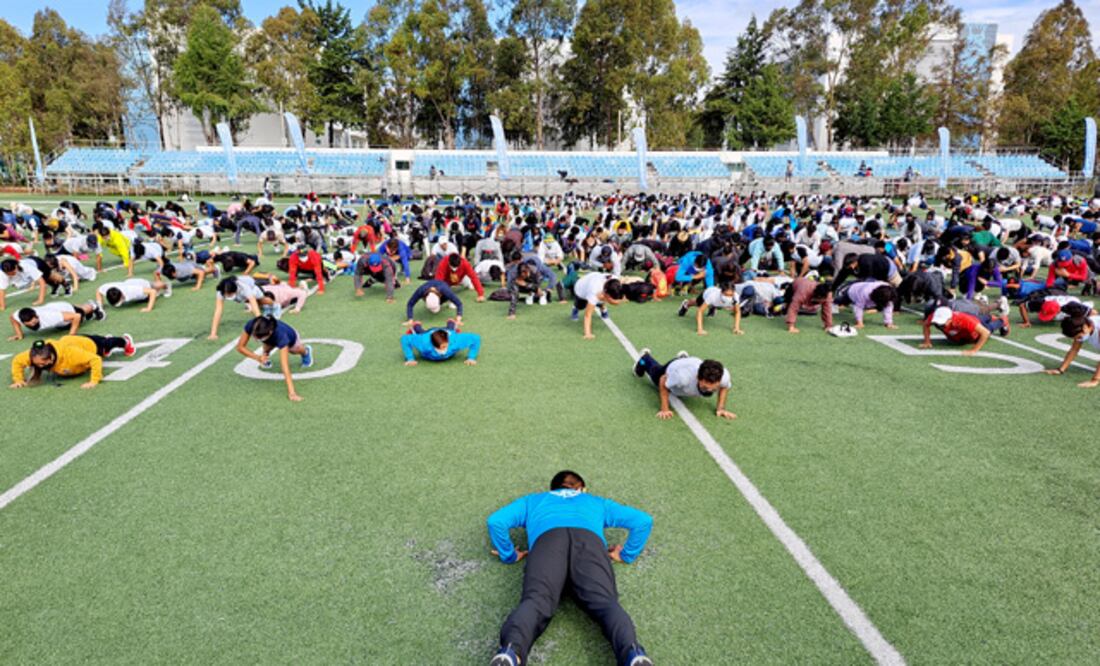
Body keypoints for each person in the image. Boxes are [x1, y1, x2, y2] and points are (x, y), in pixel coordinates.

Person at [487, 471, 654, 666]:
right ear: (581, 488)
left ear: (554, 489)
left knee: (536, 602)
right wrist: (626, 554)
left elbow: (495, 521)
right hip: (589, 545)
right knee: (605, 603)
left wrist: (510, 555)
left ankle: (510, 653)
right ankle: (633, 654)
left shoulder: (533, 501)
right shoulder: (596, 502)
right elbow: (643, 521)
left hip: (547, 544)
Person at [632, 349, 736, 420]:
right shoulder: (682, 378)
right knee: (655, 374)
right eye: (705, 387)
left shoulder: (723, 376)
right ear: (697, 377)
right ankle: (645, 359)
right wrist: (665, 409)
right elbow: (663, 381)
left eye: (713, 389)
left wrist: (721, 408)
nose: (709, 391)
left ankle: (683, 358)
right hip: (673, 368)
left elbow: (724, 387)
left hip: (690, 363)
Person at [10, 334, 135, 390]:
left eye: (42, 364)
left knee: (106, 345)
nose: (39, 366)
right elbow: (17, 361)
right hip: (70, 340)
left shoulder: (71, 354)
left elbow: (95, 360)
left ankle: (125, 341)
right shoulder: (34, 354)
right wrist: (18, 380)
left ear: (51, 358)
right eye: (36, 364)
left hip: (89, 344)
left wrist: (94, 381)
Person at [235, 315, 313, 402]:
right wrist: (258, 358)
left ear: (270, 332)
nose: (256, 340)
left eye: (259, 338)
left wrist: (292, 393)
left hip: (291, 339)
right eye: (254, 336)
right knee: (266, 349)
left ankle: (306, 352)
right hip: (269, 339)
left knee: (294, 350)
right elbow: (240, 347)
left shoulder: (282, 336)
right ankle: (265, 357)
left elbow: (285, 367)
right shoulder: (253, 325)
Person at [1044, 310, 1100, 387]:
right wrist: (1060, 370)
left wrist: (1095, 380)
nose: (1079, 339)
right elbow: (1074, 350)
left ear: (1085, 327)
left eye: (1079, 337)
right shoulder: (1083, 326)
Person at [208, 276, 275, 340]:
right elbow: (218, 310)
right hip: (241, 294)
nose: (228, 296)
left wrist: (261, 327)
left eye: (230, 294)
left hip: (253, 287)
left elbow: (256, 309)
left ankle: (274, 304)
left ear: (235, 290)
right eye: (227, 295)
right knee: (250, 302)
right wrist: (213, 333)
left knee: (262, 301)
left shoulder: (244, 287)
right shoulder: (220, 290)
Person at [921, 306, 1001, 355]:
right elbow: (926, 324)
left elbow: (985, 333)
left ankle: (1002, 320)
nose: (940, 325)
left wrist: (973, 350)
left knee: (989, 327)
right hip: (968, 325)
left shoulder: (963, 320)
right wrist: (927, 341)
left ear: (950, 320)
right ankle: (989, 317)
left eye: (942, 323)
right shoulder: (935, 316)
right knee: (981, 318)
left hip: (974, 333)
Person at [9, 301, 104, 340]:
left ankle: (93, 306)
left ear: (37, 316)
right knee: (60, 326)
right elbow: (12, 318)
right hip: (54, 308)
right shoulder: (18, 315)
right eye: (29, 324)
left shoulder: (50, 317)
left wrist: (71, 336)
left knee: (81, 313)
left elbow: (76, 316)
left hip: (67, 309)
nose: (33, 325)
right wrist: (19, 335)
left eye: (34, 322)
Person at [400, 319, 480, 366]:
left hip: (447, 332)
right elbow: (405, 339)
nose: (443, 351)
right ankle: (416, 324)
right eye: (441, 347)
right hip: (428, 333)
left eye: (445, 346)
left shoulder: (454, 340)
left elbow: (476, 338)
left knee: (451, 329)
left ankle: (450, 321)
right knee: (420, 331)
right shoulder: (424, 343)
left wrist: (471, 358)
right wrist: (410, 358)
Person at [570, 272, 625, 340]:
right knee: (581, 306)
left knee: (601, 299)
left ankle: (602, 306)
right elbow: (588, 314)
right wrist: (588, 333)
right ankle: (575, 308)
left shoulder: (616, 282)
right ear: (605, 291)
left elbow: (618, 301)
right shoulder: (594, 290)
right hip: (580, 288)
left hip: (594, 278)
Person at [676, 283, 743, 336]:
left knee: (721, 306)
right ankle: (686, 304)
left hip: (718, 303)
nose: (729, 297)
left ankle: (712, 307)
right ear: (721, 292)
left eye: (731, 295)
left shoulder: (736, 297)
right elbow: (700, 311)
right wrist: (700, 329)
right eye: (726, 294)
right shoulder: (712, 296)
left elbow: (737, 312)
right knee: (697, 304)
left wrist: (736, 328)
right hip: (707, 293)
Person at [96, 277, 171, 312]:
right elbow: (98, 291)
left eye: (119, 301)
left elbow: (152, 292)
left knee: (154, 286)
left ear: (122, 295)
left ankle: (166, 285)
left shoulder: (131, 291)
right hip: (130, 283)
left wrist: (148, 308)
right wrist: (100, 307)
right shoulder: (107, 289)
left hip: (143, 284)